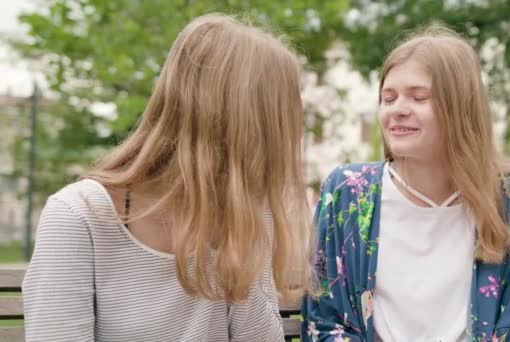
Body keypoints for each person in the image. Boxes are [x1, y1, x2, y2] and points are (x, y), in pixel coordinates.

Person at [23, 14, 313, 342]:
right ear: (244, 128)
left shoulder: (244, 215)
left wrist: (247, 249)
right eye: (279, 124)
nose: (285, 144)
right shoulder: (79, 217)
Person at [302, 25, 510, 341]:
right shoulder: (346, 192)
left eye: (419, 97)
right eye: (389, 97)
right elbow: (325, 324)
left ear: (461, 108)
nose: (397, 110)